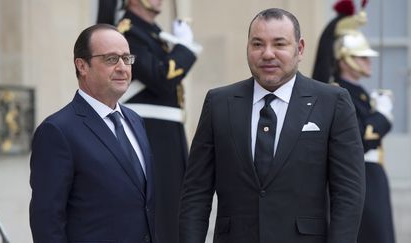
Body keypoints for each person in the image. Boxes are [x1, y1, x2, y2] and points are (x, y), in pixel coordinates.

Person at [179, 8, 366, 243]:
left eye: (279, 44)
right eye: (257, 44)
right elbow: (196, 192)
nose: (267, 54)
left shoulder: (333, 102)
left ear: (299, 49)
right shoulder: (218, 103)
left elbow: (348, 194)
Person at [29, 24, 155, 243]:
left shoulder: (136, 121)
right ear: (82, 65)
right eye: (111, 59)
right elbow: (47, 221)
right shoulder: (57, 131)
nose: (122, 67)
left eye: (126, 58)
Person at [97, 1, 201, 242]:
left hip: (166, 134)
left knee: (173, 209)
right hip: (148, 132)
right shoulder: (125, 33)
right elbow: (161, 77)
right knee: (158, 212)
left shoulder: (152, 33)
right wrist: (184, 47)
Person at [313, 1, 396, 242]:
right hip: (360, 176)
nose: (368, 62)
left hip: (372, 175)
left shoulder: (358, 92)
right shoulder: (339, 92)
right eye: (361, 57)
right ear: (345, 58)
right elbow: (357, 139)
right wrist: (382, 117)